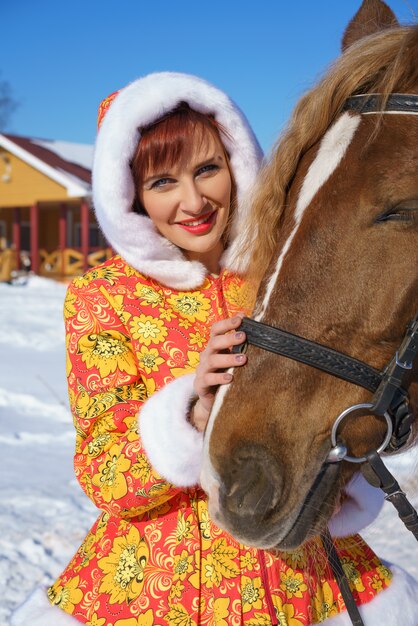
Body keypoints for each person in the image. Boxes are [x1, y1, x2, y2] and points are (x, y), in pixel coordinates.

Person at [12, 72, 401, 626]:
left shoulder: (280, 271)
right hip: (164, 588)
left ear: (238, 165)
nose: (193, 201)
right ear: (132, 197)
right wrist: (191, 410)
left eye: (207, 169)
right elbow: (103, 472)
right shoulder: (103, 297)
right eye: (162, 183)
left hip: (305, 579)